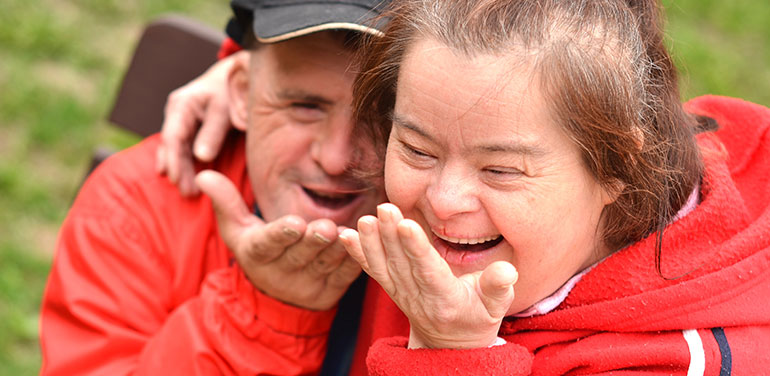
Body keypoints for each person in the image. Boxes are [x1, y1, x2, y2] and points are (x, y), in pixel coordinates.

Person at [334, 0, 770, 374]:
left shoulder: (682, 360)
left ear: (618, 166)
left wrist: (448, 352)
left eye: (500, 170)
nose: (443, 201)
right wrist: (288, 311)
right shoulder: (374, 224)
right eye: (417, 149)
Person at [39, 1, 387, 374]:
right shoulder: (136, 206)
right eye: (304, 106)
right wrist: (265, 316)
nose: (335, 158)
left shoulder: (451, 239)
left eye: (382, 113)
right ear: (239, 91)